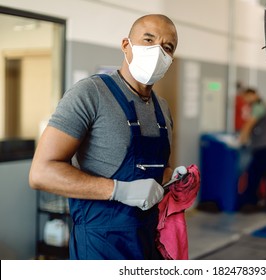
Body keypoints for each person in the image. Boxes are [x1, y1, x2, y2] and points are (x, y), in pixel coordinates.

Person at [29, 14, 186, 260]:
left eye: (167, 47)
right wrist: (119, 190)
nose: (157, 52)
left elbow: (159, 170)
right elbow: (41, 173)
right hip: (101, 247)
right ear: (126, 45)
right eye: (148, 40)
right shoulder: (90, 93)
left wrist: (173, 181)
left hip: (148, 243)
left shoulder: (162, 108)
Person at [238, 88, 266, 213]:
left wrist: (240, 140)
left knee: (254, 175)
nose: (246, 101)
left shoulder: (259, 106)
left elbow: (250, 124)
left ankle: (250, 203)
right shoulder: (262, 105)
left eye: (247, 97)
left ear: (253, 95)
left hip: (264, 148)